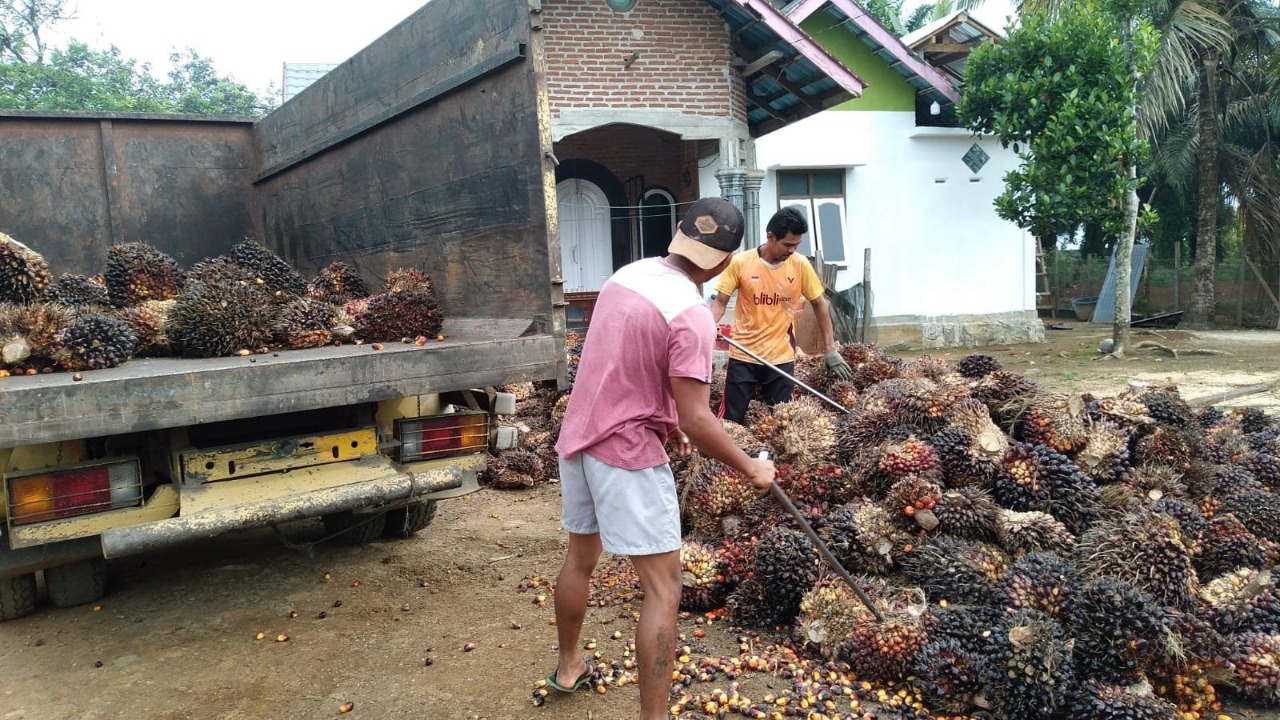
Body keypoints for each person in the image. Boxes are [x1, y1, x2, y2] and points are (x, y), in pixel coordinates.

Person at [549, 197, 777, 720]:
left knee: (579, 560)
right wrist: (751, 467)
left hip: (579, 438)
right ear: (725, 261)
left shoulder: (625, 276)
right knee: (664, 586)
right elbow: (701, 418)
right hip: (624, 454)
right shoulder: (692, 314)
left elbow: (624, 362)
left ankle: (568, 667)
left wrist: (665, 419)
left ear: (677, 234)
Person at [710, 206, 852, 424]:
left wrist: (830, 350)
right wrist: (707, 326)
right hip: (743, 356)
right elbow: (720, 302)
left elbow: (820, 304)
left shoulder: (800, 264)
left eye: (796, 245)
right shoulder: (741, 263)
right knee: (730, 422)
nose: (792, 250)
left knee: (783, 423)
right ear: (770, 237)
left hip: (781, 358)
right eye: (787, 244)